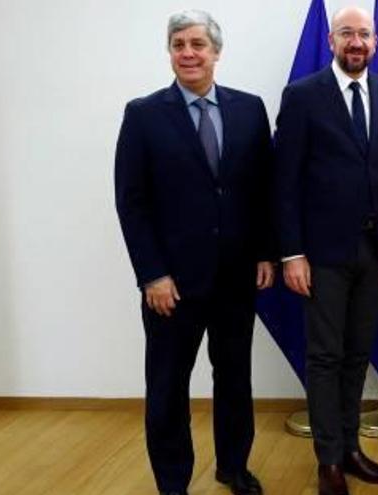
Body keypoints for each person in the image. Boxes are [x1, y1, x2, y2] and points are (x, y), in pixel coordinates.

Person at [114, 10, 273, 495]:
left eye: (198, 44)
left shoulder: (250, 109)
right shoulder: (143, 114)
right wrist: (152, 275)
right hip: (172, 284)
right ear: (170, 52)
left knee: (234, 379)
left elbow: (263, 190)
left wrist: (266, 253)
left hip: (236, 277)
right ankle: (173, 482)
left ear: (216, 52)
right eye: (179, 44)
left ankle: (233, 467)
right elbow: (131, 201)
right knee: (167, 387)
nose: (188, 52)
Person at [273, 6, 378, 495]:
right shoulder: (302, 95)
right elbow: (284, 181)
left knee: (358, 354)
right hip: (321, 253)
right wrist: (291, 253)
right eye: (347, 34)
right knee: (325, 357)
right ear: (332, 40)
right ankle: (328, 459)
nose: (356, 42)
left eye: (364, 35)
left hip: (376, 251)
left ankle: (352, 447)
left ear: (375, 44)